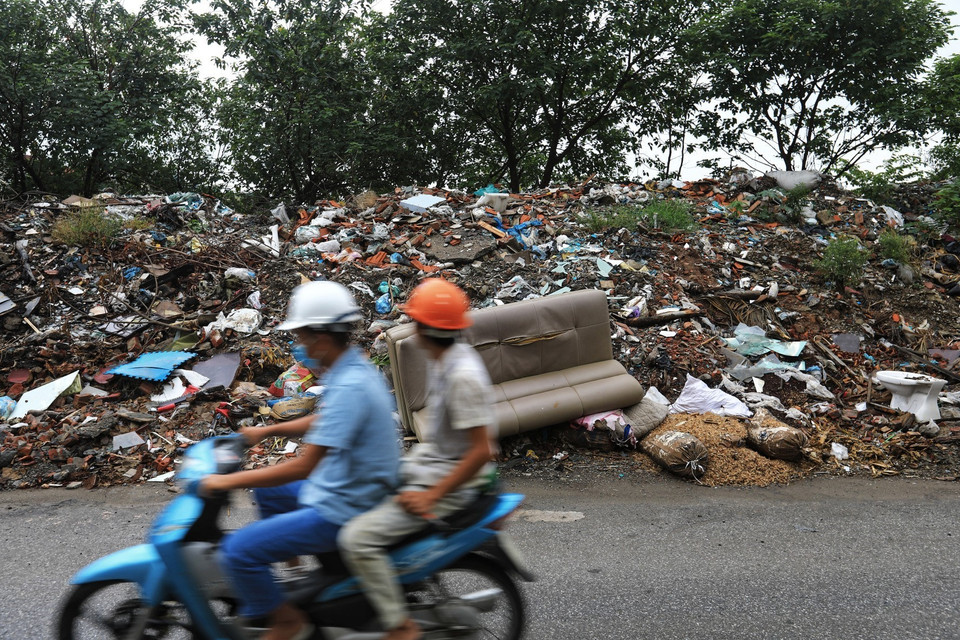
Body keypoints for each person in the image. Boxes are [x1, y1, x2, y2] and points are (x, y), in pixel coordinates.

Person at [201, 280, 400, 640]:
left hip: (346, 507)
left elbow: (305, 466)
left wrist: (227, 481)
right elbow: (328, 422)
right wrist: (268, 433)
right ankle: (296, 583)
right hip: (348, 487)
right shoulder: (350, 370)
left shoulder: (350, 384)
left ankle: (288, 620)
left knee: (238, 552)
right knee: (271, 494)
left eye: (304, 337)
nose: (300, 346)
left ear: (322, 337)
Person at [338, 278, 497, 640]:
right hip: (433, 463)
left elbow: (481, 451)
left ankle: (400, 625)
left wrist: (429, 496)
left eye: (414, 322)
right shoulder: (449, 359)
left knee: (356, 540)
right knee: (365, 487)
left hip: (451, 483)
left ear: (425, 329)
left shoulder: (463, 376)